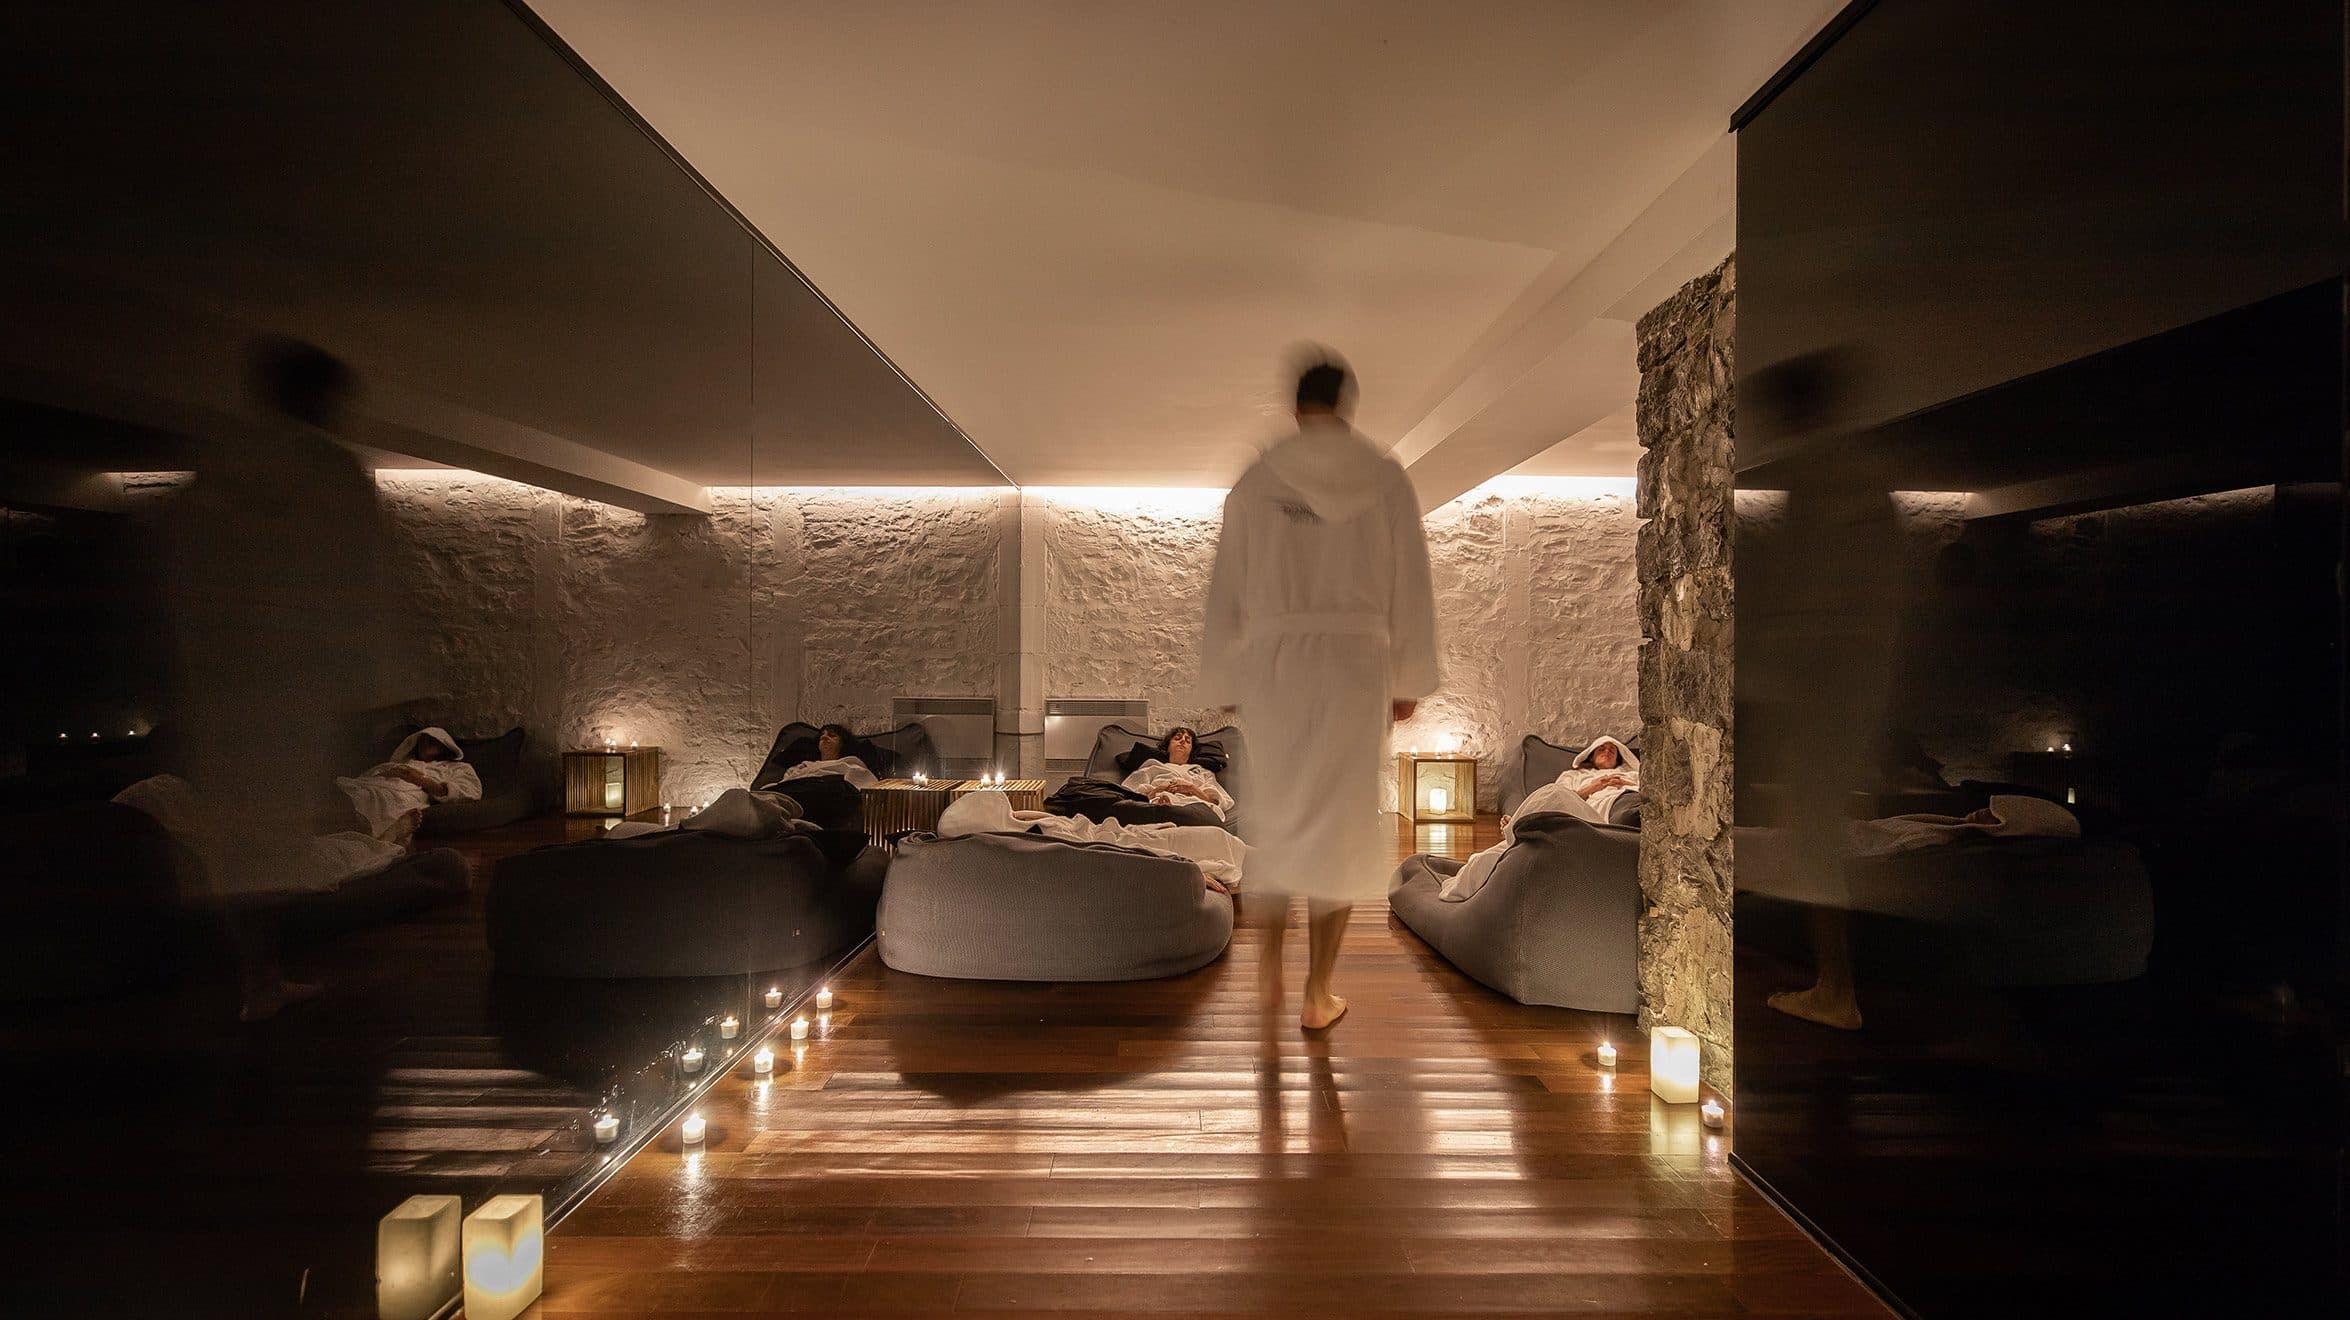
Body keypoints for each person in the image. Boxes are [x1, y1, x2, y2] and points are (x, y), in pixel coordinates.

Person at [1201, 355, 1439, 1030]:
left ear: (1294, 404)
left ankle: (1271, 976)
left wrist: (1226, 676)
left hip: (1276, 665)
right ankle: (1317, 993)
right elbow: (1411, 581)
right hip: (1355, 665)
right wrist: (1407, 678)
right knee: (1338, 826)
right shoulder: (1385, 476)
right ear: (1347, 404)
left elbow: (1227, 588)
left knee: (1277, 817)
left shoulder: (1257, 480)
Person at [336, 727, 482, 848]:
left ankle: (381, 837)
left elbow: (470, 790)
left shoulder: (455, 768)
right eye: (423, 740)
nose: (426, 743)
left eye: (432, 741)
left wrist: (419, 780)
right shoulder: (406, 762)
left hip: (409, 792)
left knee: (376, 799)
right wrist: (389, 772)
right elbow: (369, 775)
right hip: (381, 784)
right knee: (355, 791)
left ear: (444, 746)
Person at [1120, 727, 1235, 818]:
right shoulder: (1151, 767)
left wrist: (1192, 789)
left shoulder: (1203, 772)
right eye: (1177, 738)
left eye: (1187, 740)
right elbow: (1127, 799)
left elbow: (1219, 803)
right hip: (1157, 805)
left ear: (1191, 749)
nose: (1182, 741)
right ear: (1168, 746)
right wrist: (1157, 790)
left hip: (1194, 808)